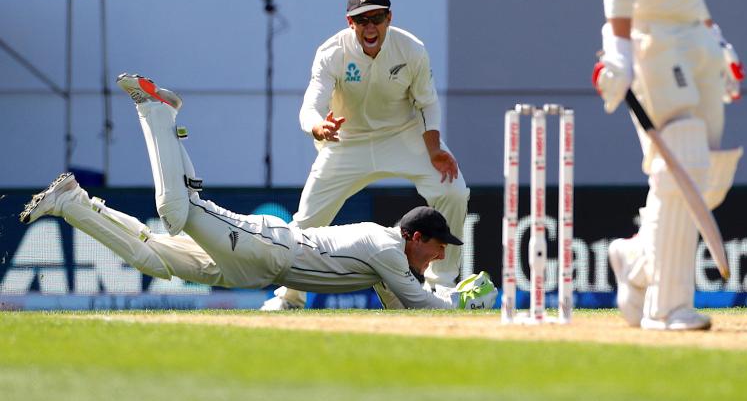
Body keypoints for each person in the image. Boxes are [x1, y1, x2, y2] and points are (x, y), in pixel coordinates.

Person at [19, 74, 497, 310]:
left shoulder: (388, 264)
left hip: (253, 268)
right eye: (439, 248)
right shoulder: (386, 248)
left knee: (155, 261)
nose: (439, 257)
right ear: (416, 237)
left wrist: (449, 303)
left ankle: (73, 203)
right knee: (174, 212)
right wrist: (463, 304)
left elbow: (405, 308)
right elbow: (421, 305)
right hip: (265, 244)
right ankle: (157, 113)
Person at [593, 0, 745, 331]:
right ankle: (668, 305)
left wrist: (715, 36)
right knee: (684, 160)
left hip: (692, 34)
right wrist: (618, 46)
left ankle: (635, 263)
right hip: (654, 37)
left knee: (706, 171)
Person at [261, 0, 470, 310]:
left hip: (404, 136)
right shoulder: (332, 53)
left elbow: (427, 103)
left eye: (377, 18)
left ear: (389, 18)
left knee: (454, 191)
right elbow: (310, 105)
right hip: (347, 141)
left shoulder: (411, 49)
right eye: (362, 20)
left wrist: (433, 150)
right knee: (305, 222)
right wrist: (319, 127)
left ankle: (442, 286)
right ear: (350, 23)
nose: (370, 27)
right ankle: (291, 297)